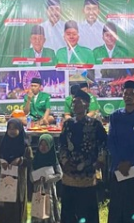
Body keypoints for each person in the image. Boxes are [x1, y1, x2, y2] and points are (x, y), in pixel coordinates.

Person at [58, 89, 107, 223]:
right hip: (69, 173)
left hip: (87, 173)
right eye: (74, 103)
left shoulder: (95, 124)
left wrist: (100, 160)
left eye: (78, 102)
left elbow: (103, 144)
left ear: (86, 104)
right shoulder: (68, 124)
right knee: (69, 211)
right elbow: (62, 145)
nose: (75, 105)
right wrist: (64, 161)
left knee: (87, 209)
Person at [107, 80, 134, 223]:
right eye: (125, 94)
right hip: (117, 168)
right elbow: (111, 142)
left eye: (131, 94)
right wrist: (120, 162)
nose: (128, 96)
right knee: (116, 206)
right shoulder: (115, 116)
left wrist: (130, 162)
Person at [0, 118, 33, 223]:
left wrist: (20, 160)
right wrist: (1, 161)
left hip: (18, 181)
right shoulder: (3, 143)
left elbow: (30, 161)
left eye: (15, 128)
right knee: (4, 205)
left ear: (20, 129)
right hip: (5, 180)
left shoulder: (25, 146)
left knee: (17, 206)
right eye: (10, 128)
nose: (12, 131)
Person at [31, 134, 63, 223]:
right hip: (38, 188)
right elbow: (31, 175)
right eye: (41, 145)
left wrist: (49, 178)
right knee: (38, 209)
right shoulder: (36, 160)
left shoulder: (53, 160)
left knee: (49, 208)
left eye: (46, 145)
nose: (43, 147)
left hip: (50, 189)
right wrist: (36, 179)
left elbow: (60, 174)